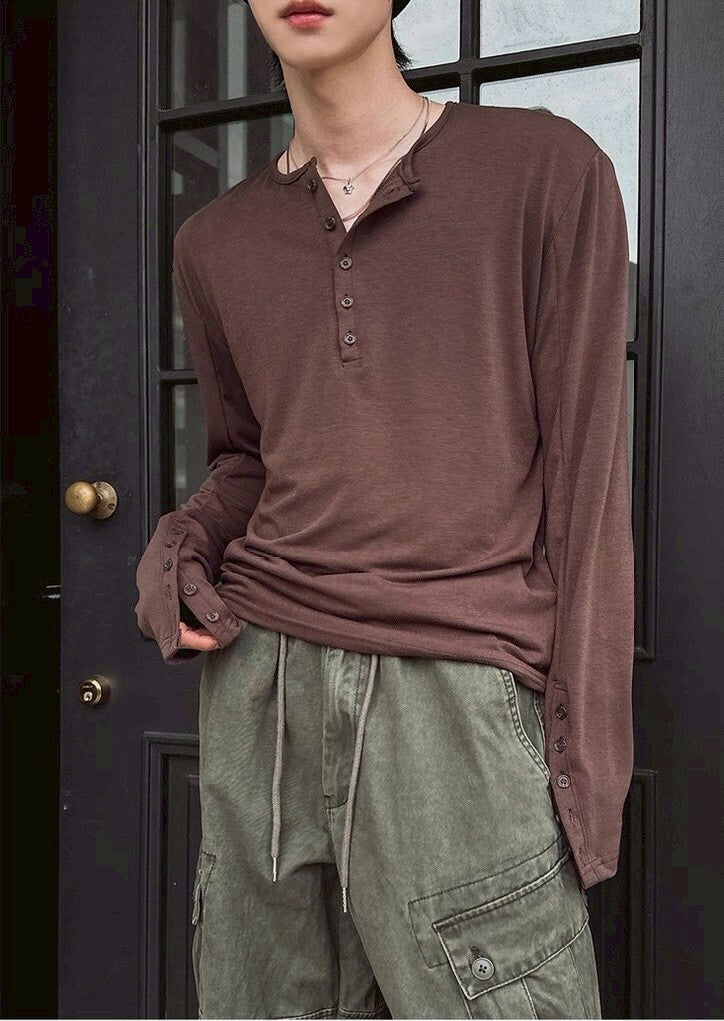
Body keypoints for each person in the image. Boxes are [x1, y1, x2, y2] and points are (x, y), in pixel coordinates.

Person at [134, 0, 635, 1017]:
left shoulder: (544, 171)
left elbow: (589, 481)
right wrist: (181, 542)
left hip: (453, 699)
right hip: (261, 694)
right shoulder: (213, 242)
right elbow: (248, 459)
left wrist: (585, 759)